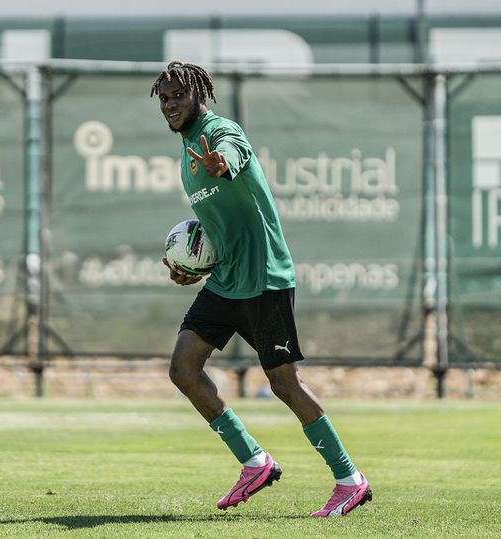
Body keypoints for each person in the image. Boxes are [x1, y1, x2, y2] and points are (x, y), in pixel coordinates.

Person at [150, 61, 373, 517]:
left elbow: (232, 155)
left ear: (200, 95)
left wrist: (221, 161)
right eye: (164, 98)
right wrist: (189, 265)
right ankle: (255, 461)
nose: (171, 103)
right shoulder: (186, 148)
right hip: (227, 279)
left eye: (178, 95)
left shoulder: (220, 132)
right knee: (183, 367)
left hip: (265, 279)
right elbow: (216, 226)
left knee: (284, 384)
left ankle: (350, 479)